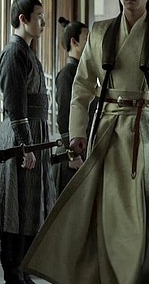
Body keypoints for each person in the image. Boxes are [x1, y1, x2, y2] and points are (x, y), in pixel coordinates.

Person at [23, 0, 149, 283]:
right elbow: (82, 86)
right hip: (108, 131)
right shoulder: (100, 33)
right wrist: (77, 133)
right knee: (110, 213)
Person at [0, 0, 56, 284]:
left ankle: (24, 270)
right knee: (16, 207)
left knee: (31, 206)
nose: (43, 23)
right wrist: (25, 144)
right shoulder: (13, 53)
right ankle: (13, 271)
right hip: (22, 135)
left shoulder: (29, 53)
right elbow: (14, 103)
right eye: (39, 17)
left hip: (35, 133)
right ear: (23, 19)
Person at [52, 17, 88, 193]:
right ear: (74, 42)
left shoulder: (84, 73)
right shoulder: (67, 73)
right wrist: (72, 154)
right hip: (71, 153)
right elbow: (64, 115)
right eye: (87, 39)